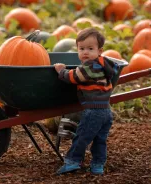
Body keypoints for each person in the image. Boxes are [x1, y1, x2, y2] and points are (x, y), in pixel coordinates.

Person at [54, 27, 119, 175]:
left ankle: (73, 162)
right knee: (99, 140)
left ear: (99, 51)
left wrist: (61, 71)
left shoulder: (91, 66)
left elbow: (75, 77)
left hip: (93, 111)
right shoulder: (103, 64)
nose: (85, 52)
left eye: (90, 48)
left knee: (82, 137)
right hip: (106, 111)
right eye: (81, 48)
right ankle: (97, 165)